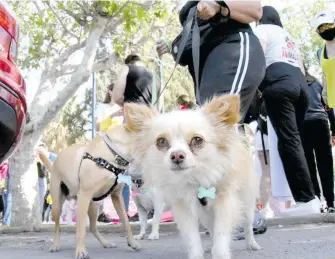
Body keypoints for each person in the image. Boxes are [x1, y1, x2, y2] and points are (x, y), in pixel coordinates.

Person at [254, 6, 319, 216]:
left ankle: (306, 200)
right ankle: (309, 197)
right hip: (301, 88)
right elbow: (300, 68)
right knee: (294, 142)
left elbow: (258, 55)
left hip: (278, 85)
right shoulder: (288, 36)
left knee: (288, 142)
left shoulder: (262, 30)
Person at [156, 0, 265, 122]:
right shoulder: (191, 18)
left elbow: (255, 9)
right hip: (208, 70)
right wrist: (172, 47)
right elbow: (192, 41)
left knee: (215, 122)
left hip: (233, 50)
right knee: (213, 123)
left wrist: (220, 6)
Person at [301, 66, 335, 213]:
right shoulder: (317, 84)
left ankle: (316, 199)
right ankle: (331, 202)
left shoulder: (296, 84)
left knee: (309, 165)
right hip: (320, 123)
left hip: (303, 125)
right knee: (325, 163)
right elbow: (329, 106)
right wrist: (334, 129)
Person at [95, 84, 123, 223]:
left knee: (123, 180)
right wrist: (113, 115)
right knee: (102, 179)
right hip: (105, 145)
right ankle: (100, 212)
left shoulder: (124, 108)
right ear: (110, 91)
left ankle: (125, 214)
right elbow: (98, 127)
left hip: (121, 147)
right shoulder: (102, 107)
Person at [313, 10, 335, 108]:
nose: (326, 29)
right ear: (317, 31)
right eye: (322, 28)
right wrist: (325, 95)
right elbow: (326, 75)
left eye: (328, 25)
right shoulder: (319, 53)